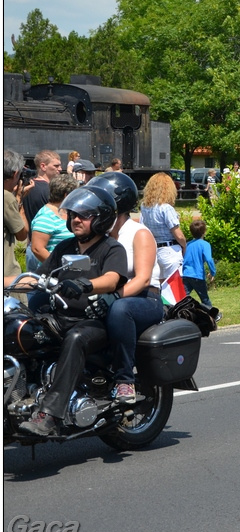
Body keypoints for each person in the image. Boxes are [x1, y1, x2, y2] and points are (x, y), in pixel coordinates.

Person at [18, 186, 128, 435]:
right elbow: (37, 278)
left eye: (84, 215)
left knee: (76, 338)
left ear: (101, 217)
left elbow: (112, 279)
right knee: (21, 329)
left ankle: (50, 415)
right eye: (73, 215)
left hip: (93, 323)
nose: (76, 219)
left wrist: (84, 284)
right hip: (59, 317)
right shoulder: (65, 248)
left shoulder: (112, 249)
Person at [87, 171, 163, 405]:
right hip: (110, 297)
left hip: (144, 299)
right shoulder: (102, 235)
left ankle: (124, 381)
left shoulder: (138, 233)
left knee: (120, 310)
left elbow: (142, 279)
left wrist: (113, 297)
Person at [140, 172, 187, 280]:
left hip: (155, 250)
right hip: (170, 250)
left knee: (159, 288)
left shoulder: (144, 207)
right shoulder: (166, 208)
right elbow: (179, 235)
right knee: (175, 290)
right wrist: (184, 246)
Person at [22, 150, 62, 271]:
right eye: (56, 166)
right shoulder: (50, 191)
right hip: (47, 248)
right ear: (43, 166)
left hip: (31, 247)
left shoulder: (28, 187)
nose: (60, 169)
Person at [29, 174, 77, 265]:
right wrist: (58, 265)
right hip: (55, 273)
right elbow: (37, 249)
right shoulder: (46, 216)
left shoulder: (66, 212)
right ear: (66, 195)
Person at [3, 149, 30, 288]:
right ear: (15, 174)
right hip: (6, 276)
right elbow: (22, 235)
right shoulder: (6, 198)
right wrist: (19, 199)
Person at [182, 219, 217, 308]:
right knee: (204, 299)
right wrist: (212, 272)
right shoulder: (205, 244)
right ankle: (212, 315)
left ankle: (180, 314)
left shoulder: (188, 244)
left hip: (186, 274)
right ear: (204, 232)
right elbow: (209, 259)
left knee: (183, 298)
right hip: (197, 275)